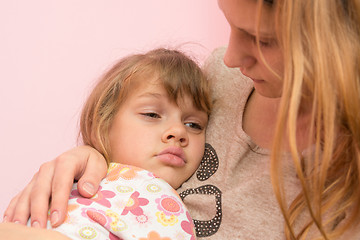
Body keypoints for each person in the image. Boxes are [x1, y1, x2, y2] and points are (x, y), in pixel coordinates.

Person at [3, 0, 360, 239]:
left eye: (262, 40)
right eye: (230, 26)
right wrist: (98, 158)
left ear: (338, 42)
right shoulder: (219, 80)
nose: (230, 57)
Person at [1, 48, 212, 239]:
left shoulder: (165, 201)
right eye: (152, 114)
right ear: (103, 122)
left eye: (194, 125)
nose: (178, 131)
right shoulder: (72, 172)